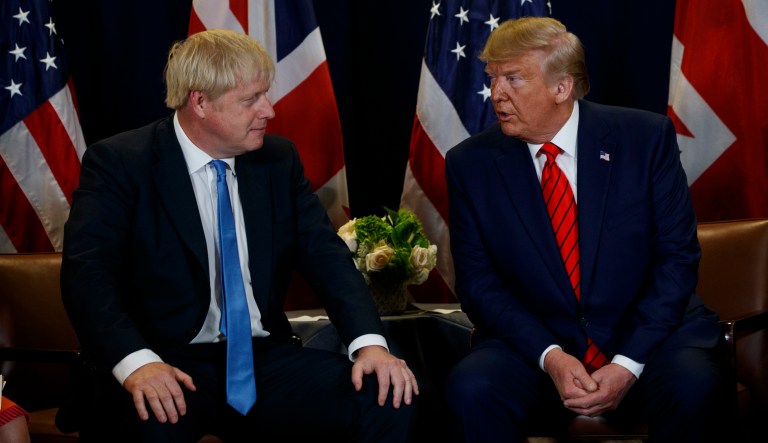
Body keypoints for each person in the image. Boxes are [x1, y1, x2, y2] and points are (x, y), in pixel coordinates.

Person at [60, 29, 418, 443]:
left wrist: (370, 345)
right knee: (153, 425)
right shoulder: (122, 163)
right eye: (251, 100)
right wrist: (137, 363)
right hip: (164, 359)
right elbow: (88, 276)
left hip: (263, 359)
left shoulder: (276, 160)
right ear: (200, 102)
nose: (269, 110)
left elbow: (326, 256)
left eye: (265, 94)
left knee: (388, 397)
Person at [444, 17, 726, 443]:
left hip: (650, 338)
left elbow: (677, 259)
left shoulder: (644, 139)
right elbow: (479, 284)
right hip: (538, 346)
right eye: (493, 78)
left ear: (562, 87)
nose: (496, 94)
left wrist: (627, 363)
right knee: (473, 387)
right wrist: (551, 356)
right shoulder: (470, 164)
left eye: (514, 79)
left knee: (693, 386)